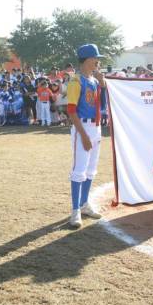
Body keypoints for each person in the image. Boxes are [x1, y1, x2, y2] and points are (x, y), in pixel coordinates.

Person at [65, 44, 105, 228]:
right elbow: (71, 111)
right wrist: (84, 136)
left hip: (95, 127)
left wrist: (102, 82)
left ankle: (84, 204)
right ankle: (75, 211)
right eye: (95, 58)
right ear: (88, 59)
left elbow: (101, 102)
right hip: (83, 127)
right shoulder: (76, 81)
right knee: (79, 170)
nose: (98, 61)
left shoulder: (94, 80)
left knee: (91, 170)